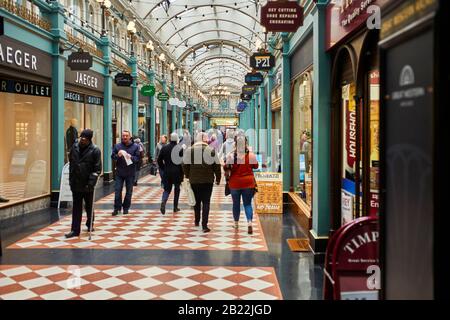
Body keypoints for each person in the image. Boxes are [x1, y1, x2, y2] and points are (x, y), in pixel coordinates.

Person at [65, 129, 102, 239]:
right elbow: (71, 162)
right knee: (76, 208)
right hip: (76, 183)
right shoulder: (74, 147)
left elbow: (97, 169)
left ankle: (90, 223)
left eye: (85, 139)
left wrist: (91, 183)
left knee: (89, 205)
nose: (82, 140)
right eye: (82, 138)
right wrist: (71, 178)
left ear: (90, 139)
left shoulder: (95, 150)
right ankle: (75, 230)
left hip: (87, 184)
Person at [183, 132, 221, 233]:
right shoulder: (211, 150)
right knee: (206, 202)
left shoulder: (189, 150)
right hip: (207, 181)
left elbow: (184, 164)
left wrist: (187, 175)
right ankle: (204, 225)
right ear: (204, 140)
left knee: (196, 201)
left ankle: (196, 221)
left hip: (194, 180)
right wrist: (218, 178)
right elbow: (217, 166)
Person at [224, 134, 258, 235]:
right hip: (248, 183)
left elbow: (226, 167)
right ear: (246, 143)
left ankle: (236, 223)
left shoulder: (231, 155)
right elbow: (256, 166)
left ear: (235, 143)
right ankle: (249, 223)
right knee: (247, 204)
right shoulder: (250, 155)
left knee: (236, 204)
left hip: (235, 184)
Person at [111, 130, 141, 216]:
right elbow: (113, 156)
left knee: (129, 192)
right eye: (123, 136)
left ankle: (125, 208)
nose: (124, 137)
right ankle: (116, 208)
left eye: (126, 136)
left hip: (130, 173)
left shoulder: (135, 147)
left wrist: (131, 157)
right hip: (119, 173)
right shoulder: (117, 146)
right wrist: (118, 155)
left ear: (130, 137)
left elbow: (137, 159)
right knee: (117, 191)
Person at [158, 133, 184, 215]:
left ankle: (163, 201)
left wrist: (163, 167)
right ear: (177, 140)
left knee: (167, 189)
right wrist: (183, 173)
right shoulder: (179, 148)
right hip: (177, 172)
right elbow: (182, 162)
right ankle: (175, 207)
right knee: (177, 189)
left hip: (167, 172)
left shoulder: (164, 148)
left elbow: (159, 160)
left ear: (169, 139)